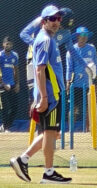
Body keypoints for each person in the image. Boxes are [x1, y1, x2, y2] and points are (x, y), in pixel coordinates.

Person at [10, 5, 72, 183]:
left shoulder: (46, 39)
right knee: (51, 132)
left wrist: (39, 96)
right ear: (44, 21)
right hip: (51, 95)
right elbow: (39, 70)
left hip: (50, 93)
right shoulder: (45, 40)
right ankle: (48, 173)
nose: (56, 22)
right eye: (52, 19)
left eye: (59, 18)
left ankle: (23, 160)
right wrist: (44, 97)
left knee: (49, 132)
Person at [66, 26, 97, 131]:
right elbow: (69, 68)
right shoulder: (71, 50)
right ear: (77, 36)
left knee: (89, 108)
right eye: (82, 35)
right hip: (76, 84)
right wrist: (68, 82)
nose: (84, 37)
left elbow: (95, 65)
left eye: (86, 35)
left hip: (89, 84)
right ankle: (71, 131)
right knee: (73, 108)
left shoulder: (92, 48)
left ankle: (89, 130)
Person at [0, 36, 20, 132]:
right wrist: (3, 84)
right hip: (2, 85)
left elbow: (16, 70)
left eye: (10, 44)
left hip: (12, 84)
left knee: (14, 107)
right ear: (3, 44)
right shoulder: (0, 56)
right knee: (5, 107)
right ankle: (5, 127)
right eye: (7, 44)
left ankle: (6, 126)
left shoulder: (14, 55)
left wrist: (17, 84)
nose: (8, 46)